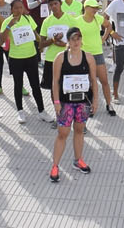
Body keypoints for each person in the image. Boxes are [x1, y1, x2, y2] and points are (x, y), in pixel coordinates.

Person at [47, 28, 99, 182]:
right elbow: (55, 82)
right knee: (63, 133)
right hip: (65, 102)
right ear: (68, 41)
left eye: (78, 39)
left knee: (79, 130)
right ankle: (55, 166)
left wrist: (95, 100)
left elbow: (93, 81)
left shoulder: (88, 57)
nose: (76, 42)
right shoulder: (60, 58)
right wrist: (56, 102)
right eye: (73, 39)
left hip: (82, 102)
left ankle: (78, 160)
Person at [1, 0, 43, 123]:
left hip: (31, 56)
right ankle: (20, 111)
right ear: (11, 9)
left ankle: (42, 111)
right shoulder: (7, 22)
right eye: (16, 8)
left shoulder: (28, 19)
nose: (19, 10)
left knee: (35, 84)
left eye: (21, 7)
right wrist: (9, 26)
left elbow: (36, 35)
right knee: (18, 85)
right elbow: (2, 40)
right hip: (16, 58)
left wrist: (43, 44)